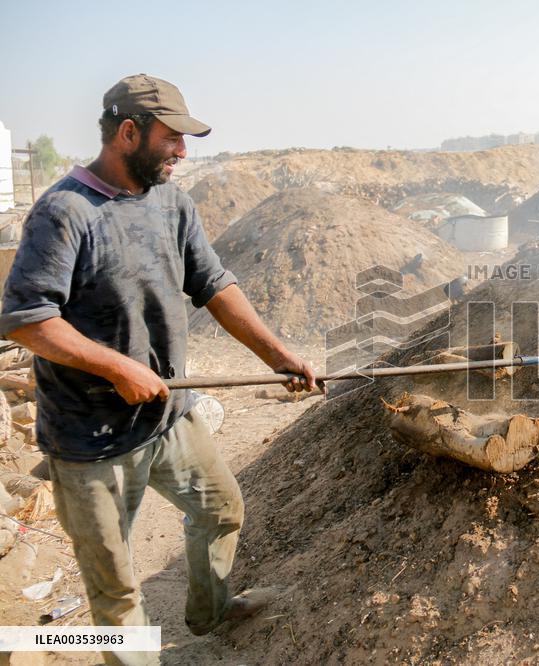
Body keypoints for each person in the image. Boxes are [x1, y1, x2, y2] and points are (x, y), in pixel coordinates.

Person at [0, 74, 317, 666]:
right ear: (128, 133)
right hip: (90, 440)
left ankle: (211, 612)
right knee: (117, 589)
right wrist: (117, 366)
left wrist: (277, 356)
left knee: (222, 509)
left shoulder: (172, 202)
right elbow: (26, 320)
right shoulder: (64, 212)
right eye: (172, 139)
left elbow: (214, 285)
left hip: (168, 414)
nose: (183, 152)